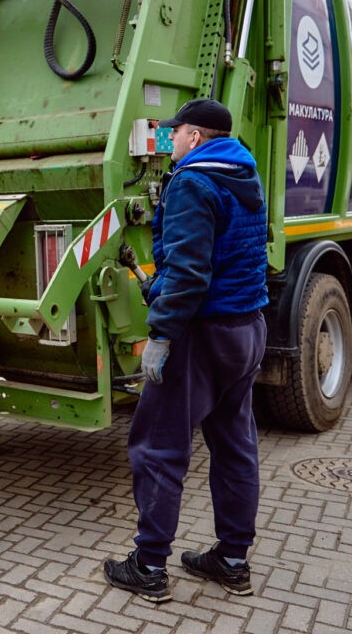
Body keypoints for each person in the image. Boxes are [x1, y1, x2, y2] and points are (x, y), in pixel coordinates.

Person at [103, 98, 268, 603]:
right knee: (235, 444)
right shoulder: (245, 174)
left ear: (195, 137)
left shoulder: (193, 183)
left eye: (174, 134)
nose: (169, 141)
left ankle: (149, 565)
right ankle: (232, 559)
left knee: (158, 446)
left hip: (202, 335)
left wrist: (161, 334)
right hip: (248, 328)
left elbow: (192, 273)